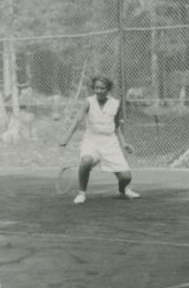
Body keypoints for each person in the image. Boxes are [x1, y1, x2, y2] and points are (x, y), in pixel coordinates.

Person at [59, 76, 140, 204]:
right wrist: (66, 138)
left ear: (108, 90)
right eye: (96, 88)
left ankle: (122, 190)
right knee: (86, 161)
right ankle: (81, 194)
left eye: (102, 88)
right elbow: (77, 121)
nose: (98, 91)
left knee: (126, 177)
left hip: (110, 143)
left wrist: (124, 144)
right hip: (91, 141)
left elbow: (117, 127)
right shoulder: (88, 102)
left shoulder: (115, 104)